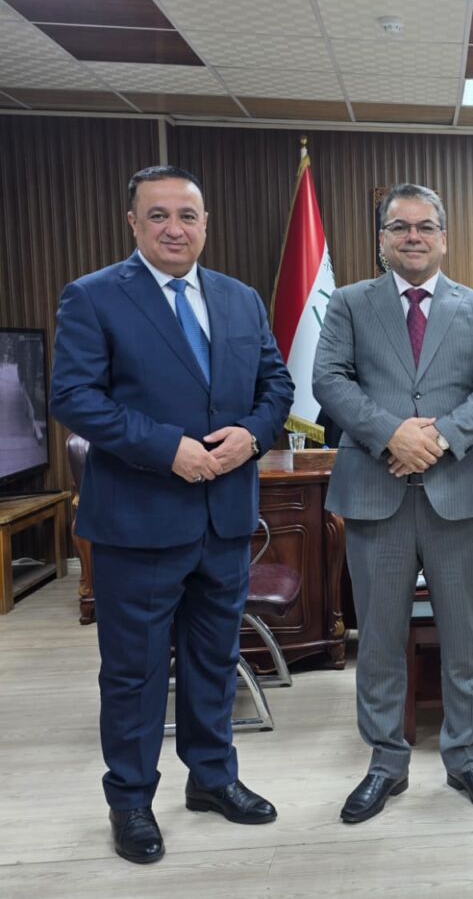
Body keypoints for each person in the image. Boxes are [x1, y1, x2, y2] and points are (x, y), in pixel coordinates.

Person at [50, 165, 294, 864]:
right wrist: (167, 450)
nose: (173, 228)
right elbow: (75, 397)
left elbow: (276, 384)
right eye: (157, 215)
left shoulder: (240, 298)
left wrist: (253, 434)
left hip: (224, 520)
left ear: (205, 224)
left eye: (187, 215)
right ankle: (130, 801)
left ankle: (212, 779)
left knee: (215, 660)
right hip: (138, 522)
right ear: (133, 223)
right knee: (134, 673)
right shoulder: (94, 296)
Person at [312, 183, 473, 823]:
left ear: (443, 237)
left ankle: (466, 757)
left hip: (458, 495)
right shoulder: (349, 304)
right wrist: (390, 434)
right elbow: (328, 379)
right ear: (382, 239)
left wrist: (440, 438)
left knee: (465, 639)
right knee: (377, 640)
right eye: (400, 227)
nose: (413, 237)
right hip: (376, 496)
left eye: (425, 226)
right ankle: (385, 763)